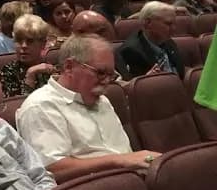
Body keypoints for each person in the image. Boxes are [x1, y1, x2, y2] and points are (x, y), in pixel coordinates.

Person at [17, 35, 161, 181]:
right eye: (100, 73)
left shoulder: (103, 100)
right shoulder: (40, 106)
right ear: (69, 67)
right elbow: (52, 168)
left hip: (130, 182)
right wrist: (118, 161)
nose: (106, 81)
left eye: (110, 75)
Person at [116, 1, 183, 81]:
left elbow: (181, 74)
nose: (174, 29)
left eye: (174, 24)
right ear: (148, 23)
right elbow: (135, 87)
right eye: (168, 24)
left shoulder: (169, 42)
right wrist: (146, 80)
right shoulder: (131, 51)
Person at [0, 14, 54, 97]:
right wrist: (30, 74)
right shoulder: (7, 72)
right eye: (19, 40)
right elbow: (17, 106)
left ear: (43, 44)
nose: (23, 46)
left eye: (30, 41)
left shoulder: (50, 70)